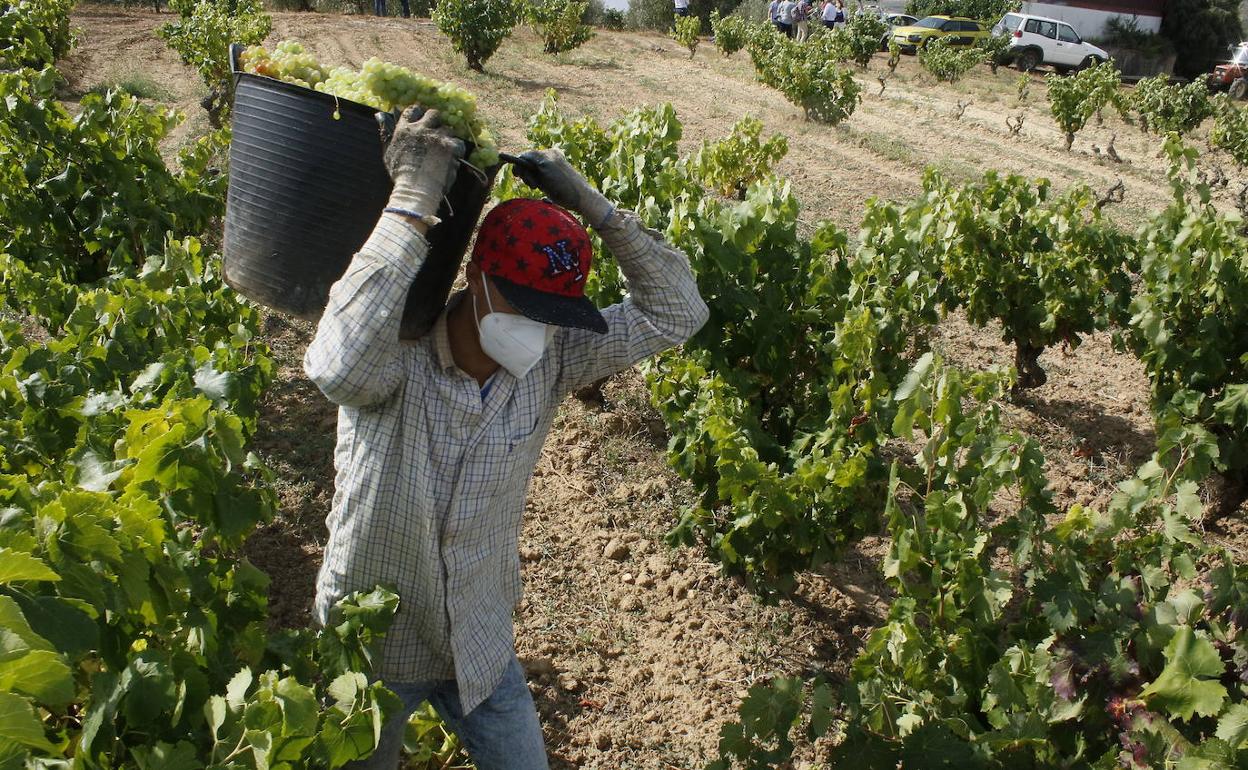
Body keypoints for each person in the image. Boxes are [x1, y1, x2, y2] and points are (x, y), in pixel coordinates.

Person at [304, 109, 709, 770]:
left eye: (555, 315)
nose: (539, 330)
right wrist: (412, 200)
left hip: (479, 645)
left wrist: (596, 210)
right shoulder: (394, 356)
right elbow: (334, 367)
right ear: (475, 279)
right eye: (525, 308)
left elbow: (678, 312)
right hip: (375, 648)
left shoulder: (550, 364)